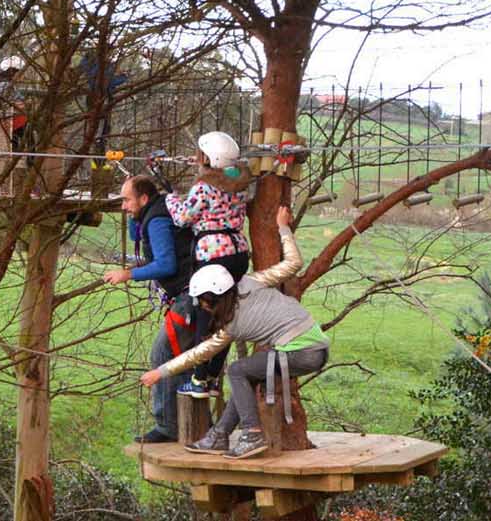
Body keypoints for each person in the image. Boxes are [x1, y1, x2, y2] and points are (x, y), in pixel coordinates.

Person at [138, 206, 330, 459]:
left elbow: (198, 353)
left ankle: (251, 434)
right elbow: (293, 263)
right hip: (315, 346)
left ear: (213, 297)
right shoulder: (251, 282)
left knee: (238, 370)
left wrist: (160, 372)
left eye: (204, 302)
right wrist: (283, 226)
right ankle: (219, 435)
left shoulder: (230, 326)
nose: (203, 307)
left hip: (302, 352)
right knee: (246, 375)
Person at [104, 175, 199, 444]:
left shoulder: (157, 221)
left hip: (187, 294)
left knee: (163, 353)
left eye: (127, 200)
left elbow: (166, 265)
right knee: (183, 356)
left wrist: (128, 275)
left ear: (144, 199)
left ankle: (168, 427)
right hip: (190, 293)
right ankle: (191, 424)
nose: (123, 206)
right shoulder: (151, 216)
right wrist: (135, 217)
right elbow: (140, 237)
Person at [162, 131, 254, 397]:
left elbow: (183, 218)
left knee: (206, 317)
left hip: (214, 255)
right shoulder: (238, 185)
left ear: (208, 157)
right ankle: (212, 377)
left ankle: (200, 380)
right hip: (238, 254)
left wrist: (170, 199)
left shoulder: (204, 187)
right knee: (226, 317)